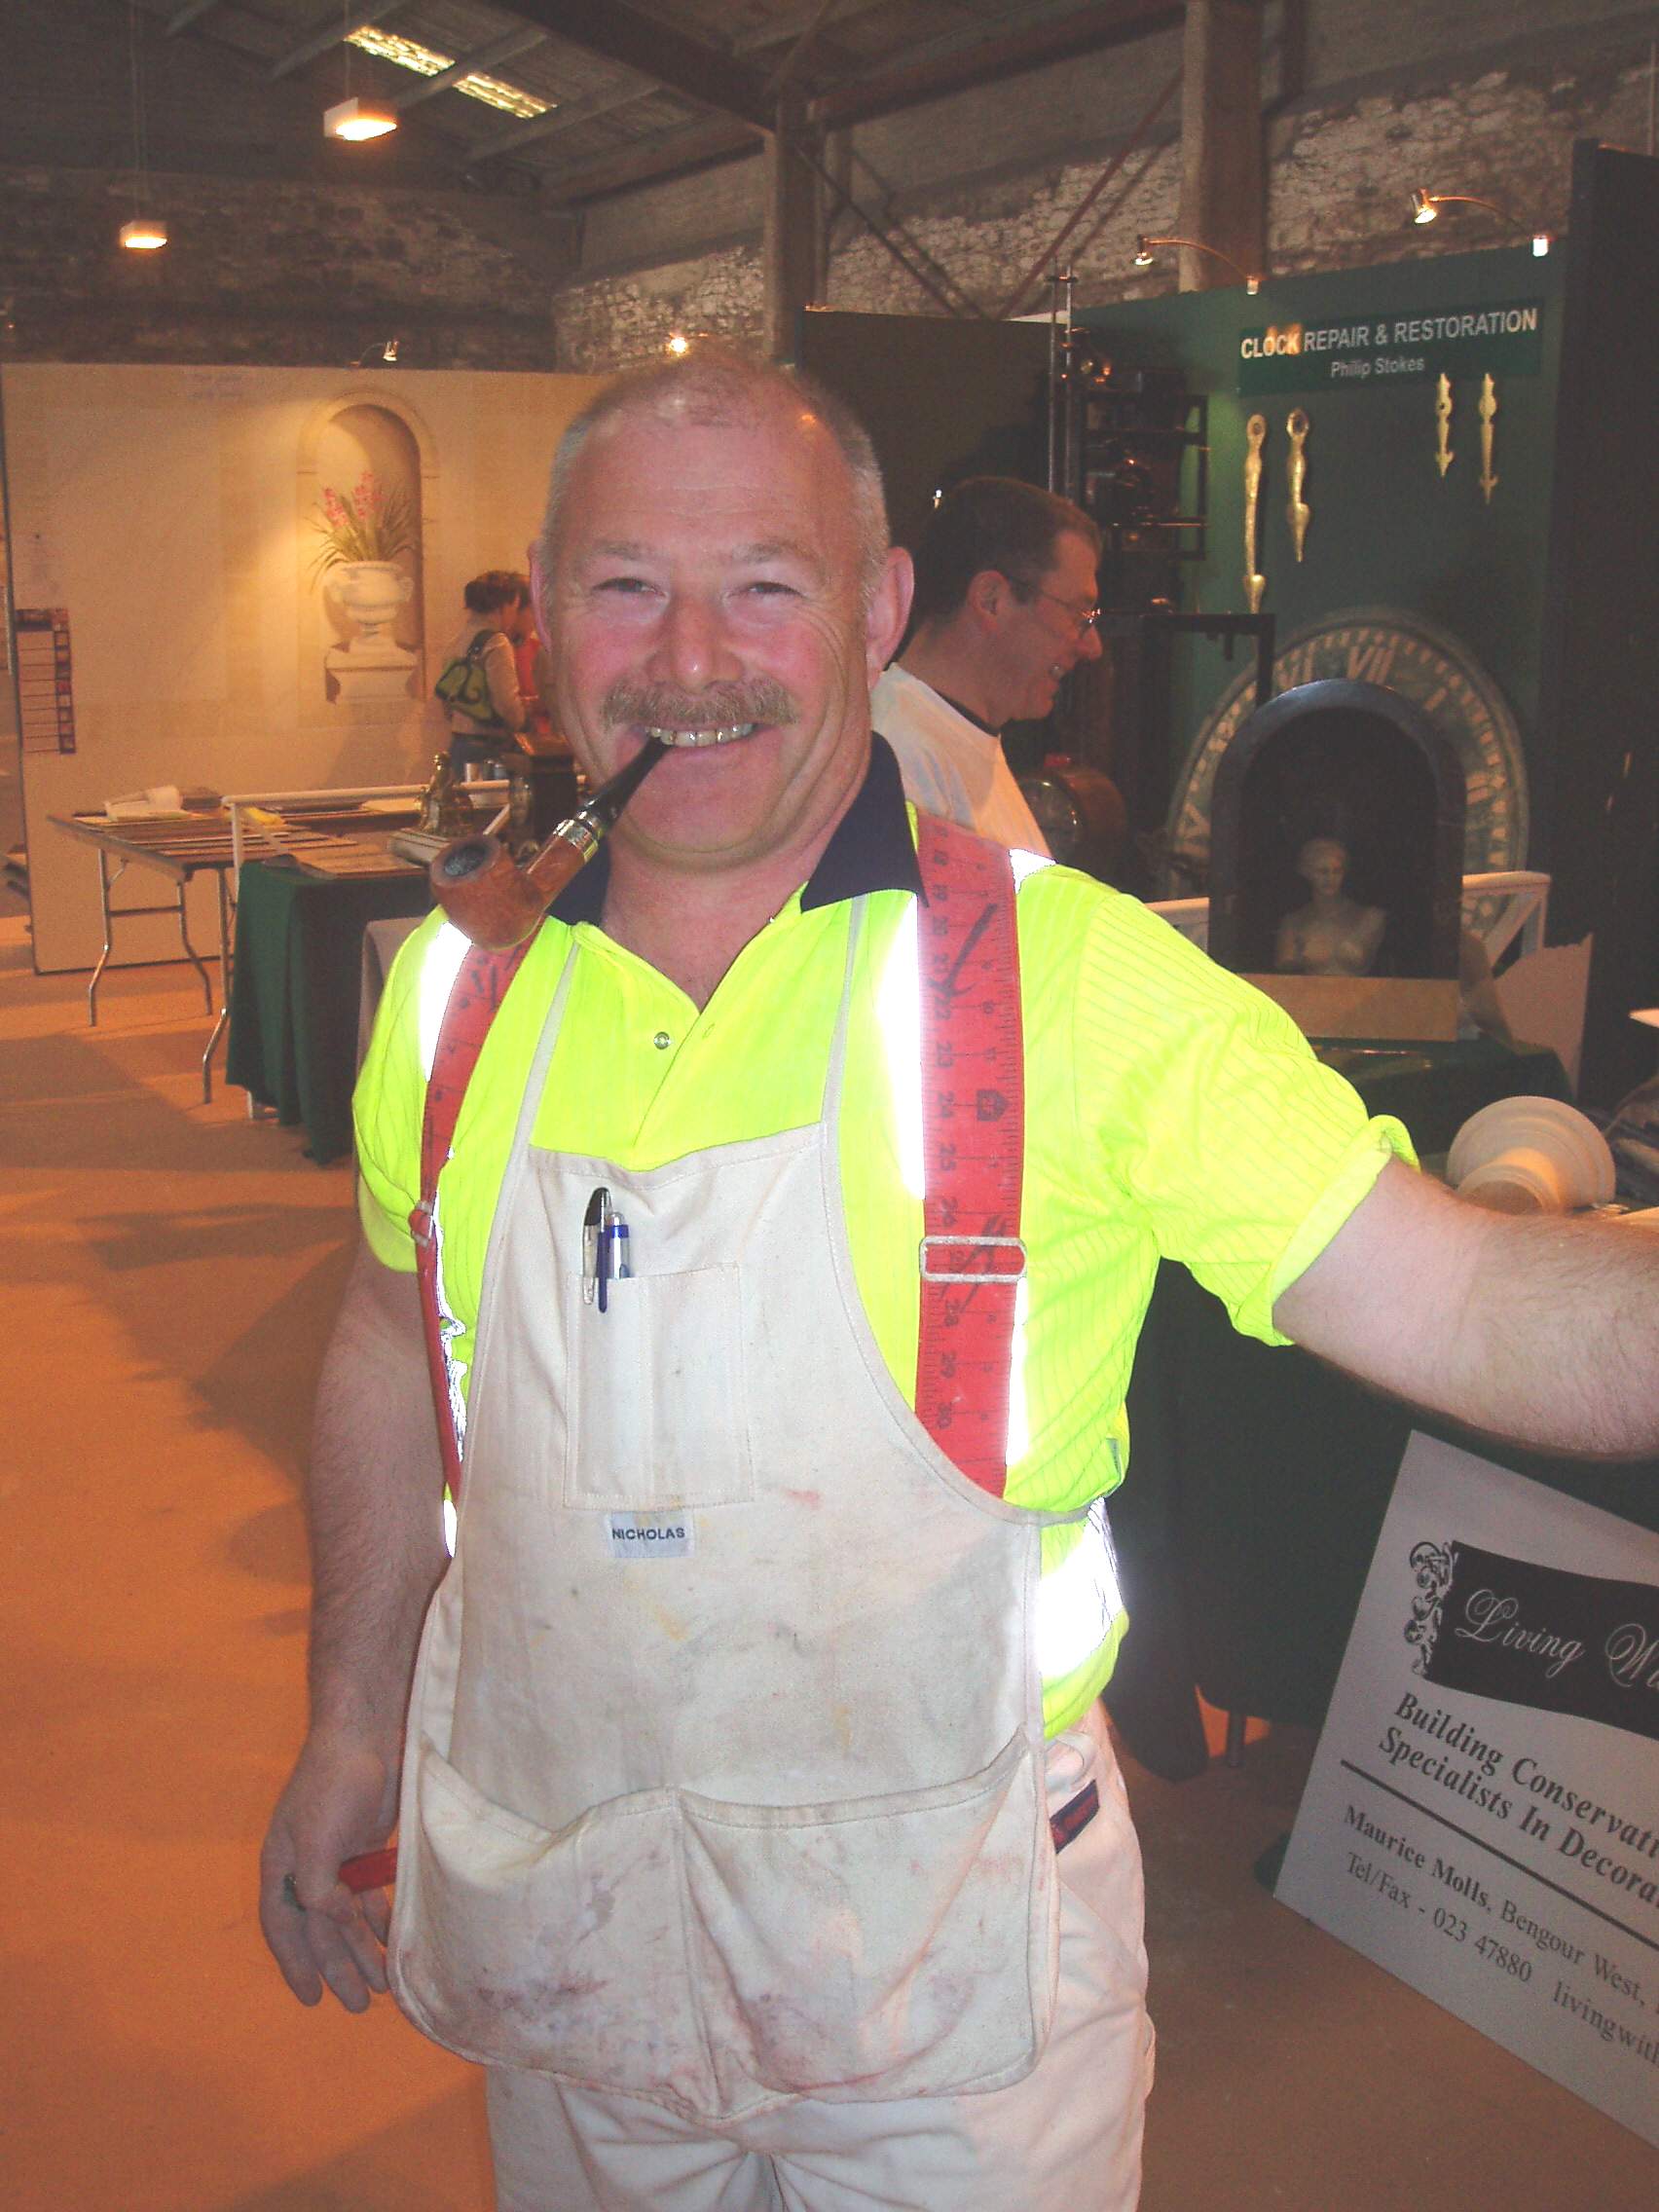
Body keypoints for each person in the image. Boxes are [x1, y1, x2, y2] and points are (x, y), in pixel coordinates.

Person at [261, 350, 1659, 2212]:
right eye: (625, 585)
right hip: (574, 1953)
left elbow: (1463, 1300)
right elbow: (383, 1340)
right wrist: (352, 1711)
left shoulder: (1069, 982)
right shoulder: (457, 989)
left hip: (953, 1979)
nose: (688, 655)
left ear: (877, 608)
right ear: (545, 623)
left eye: (763, 583)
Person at [870, 476, 1105, 854]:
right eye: (1078, 614)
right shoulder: (895, 759)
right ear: (991, 599)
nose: (1092, 646)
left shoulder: (957, 740)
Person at [437, 570, 530, 775]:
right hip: (487, 749)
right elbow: (506, 703)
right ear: (502, 606)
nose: (513, 617)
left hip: (459, 744)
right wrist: (523, 723)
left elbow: (447, 705)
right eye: (514, 608)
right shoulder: (497, 643)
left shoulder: (456, 642)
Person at [1274, 834, 1386, 976]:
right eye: (1323, 872)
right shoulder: (1293, 921)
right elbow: (1284, 962)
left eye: (1337, 871)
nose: (1330, 878)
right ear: (1307, 873)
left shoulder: (1369, 918)